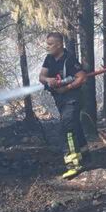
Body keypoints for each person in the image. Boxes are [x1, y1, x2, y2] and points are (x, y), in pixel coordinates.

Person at [39, 32, 88, 179]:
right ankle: (85, 155)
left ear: (59, 45)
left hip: (72, 99)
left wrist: (66, 88)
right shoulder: (49, 59)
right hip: (60, 100)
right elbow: (41, 77)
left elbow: (82, 77)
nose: (48, 47)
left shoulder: (69, 59)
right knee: (75, 126)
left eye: (51, 44)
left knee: (67, 128)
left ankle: (74, 165)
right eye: (47, 44)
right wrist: (49, 80)